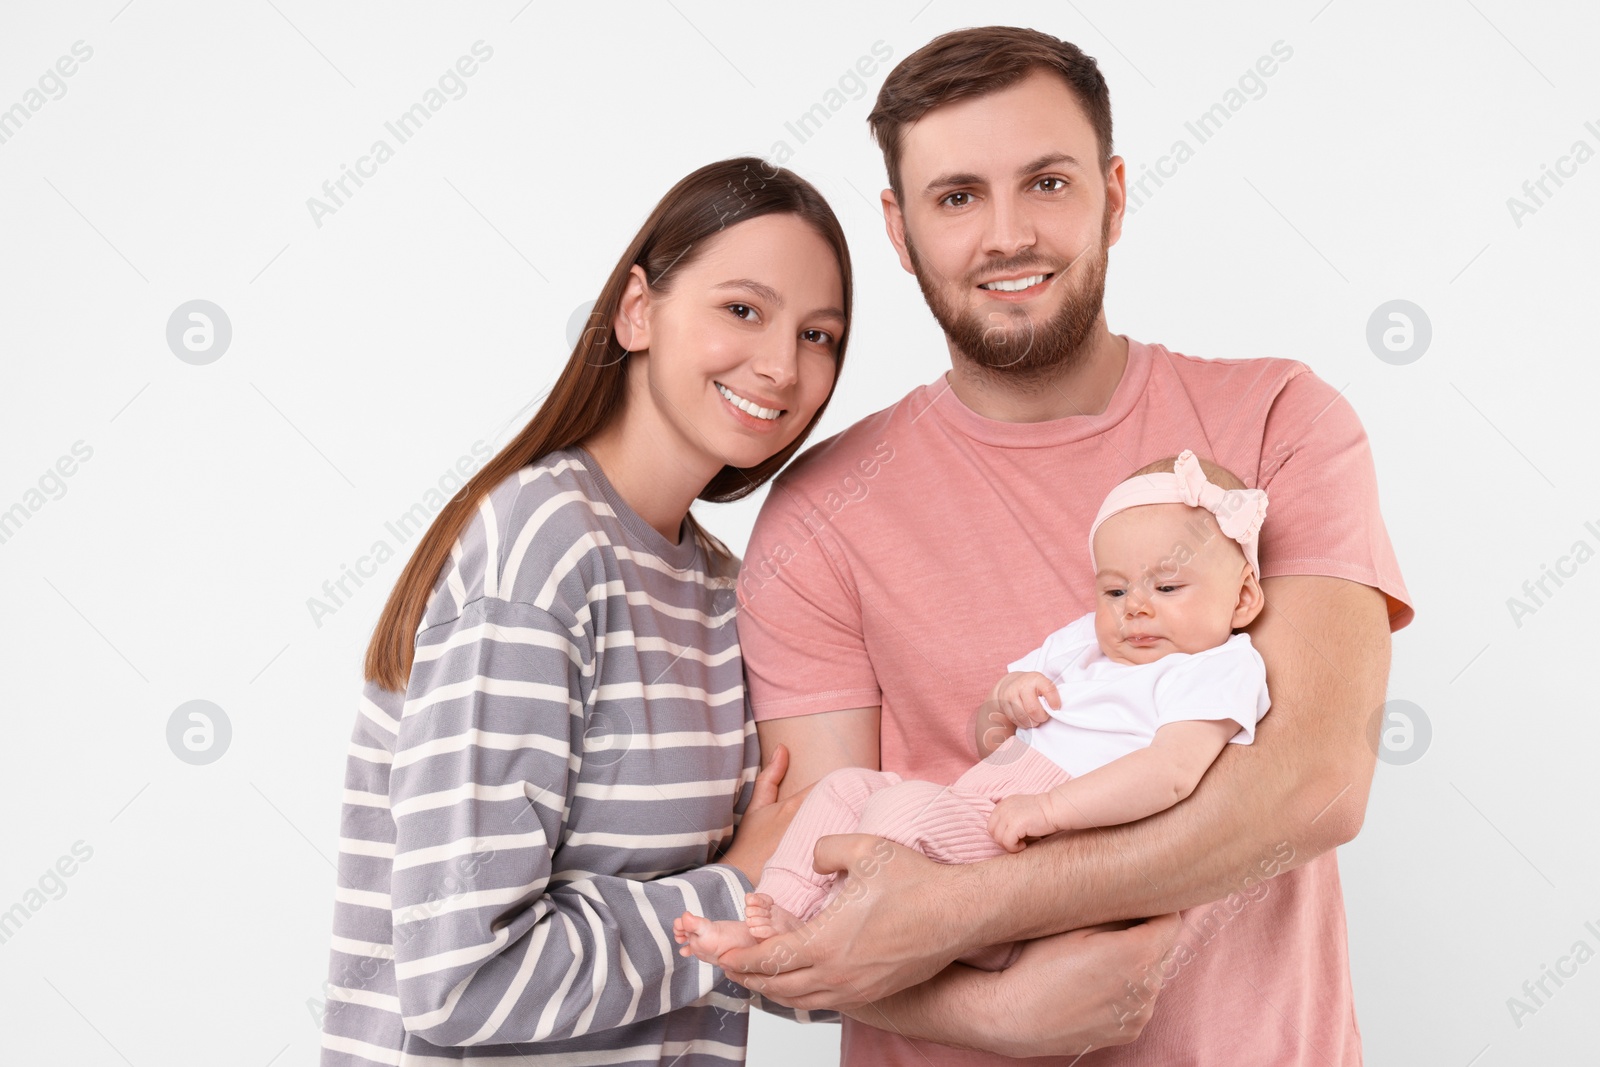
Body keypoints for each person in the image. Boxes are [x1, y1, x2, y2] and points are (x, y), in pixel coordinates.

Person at [714, 25, 1414, 1066]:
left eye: (1045, 182)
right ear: (899, 231)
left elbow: (1313, 784)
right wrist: (987, 1011)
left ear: (1115, 195)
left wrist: (963, 904)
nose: (1007, 235)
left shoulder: (1278, 420)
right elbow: (811, 889)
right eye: (956, 197)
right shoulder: (818, 512)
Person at [316, 156, 854, 1067]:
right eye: (743, 309)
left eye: (820, 335)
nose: (780, 364)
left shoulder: (724, 589)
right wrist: (733, 887)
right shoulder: (541, 549)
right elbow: (459, 981)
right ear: (637, 309)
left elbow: (744, 955)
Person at [674, 450, 1270, 971]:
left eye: (1167, 588)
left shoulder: (1214, 667)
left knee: (898, 815)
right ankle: (776, 910)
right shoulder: (1083, 643)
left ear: (1242, 596)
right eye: (1114, 591)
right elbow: (992, 733)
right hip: (981, 800)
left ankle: (825, 940)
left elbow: (1170, 773)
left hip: (1035, 843)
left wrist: (1051, 809)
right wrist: (1008, 698)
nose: (1134, 609)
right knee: (844, 792)